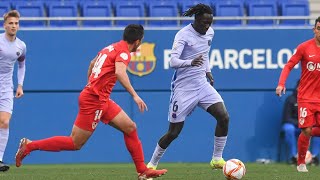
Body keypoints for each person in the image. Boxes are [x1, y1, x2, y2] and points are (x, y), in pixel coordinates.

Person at [15, 24, 167, 179]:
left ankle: (142, 170)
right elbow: (120, 72)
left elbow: (92, 63)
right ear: (137, 41)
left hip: (100, 99)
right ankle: (30, 145)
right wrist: (134, 95)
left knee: (130, 127)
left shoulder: (110, 48)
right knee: (75, 143)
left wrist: (91, 85)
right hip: (94, 101)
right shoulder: (124, 53)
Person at [147, 4, 229, 170]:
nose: (207, 27)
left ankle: (217, 159)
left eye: (210, 23)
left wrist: (207, 70)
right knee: (173, 133)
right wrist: (190, 63)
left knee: (223, 116)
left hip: (201, 84)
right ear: (196, 19)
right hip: (183, 89)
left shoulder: (210, 32)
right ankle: (152, 164)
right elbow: (173, 62)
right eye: (204, 23)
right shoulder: (183, 35)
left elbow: (204, 53)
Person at [276, 16, 320, 172]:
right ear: (314, 29)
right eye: (319, 28)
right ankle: (301, 162)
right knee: (307, 130)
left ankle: (307, 150)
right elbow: (289, 65)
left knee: (309, 131)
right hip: (306, 97)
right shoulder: (304, 47)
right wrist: (281, 83)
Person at [0, 10, 26, 172]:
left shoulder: (21, 46)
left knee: (4, 122)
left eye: (16, 23)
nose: (13, 26)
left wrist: (20, 85)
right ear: (4, 25)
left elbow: (22, 64)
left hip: (6, 88)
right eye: (10, 23)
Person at [281, 80, 320, 165]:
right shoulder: (291, 99)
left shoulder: (314, 100)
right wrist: (301, 123)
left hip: (308, 127)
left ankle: (314, 157)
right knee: (288, 128)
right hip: (295, 126)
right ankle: (294, 157)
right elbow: (286, 118)